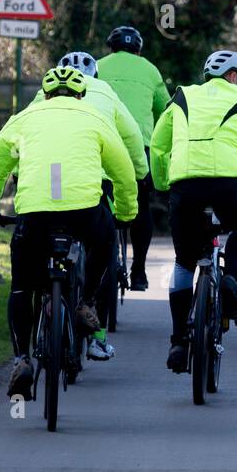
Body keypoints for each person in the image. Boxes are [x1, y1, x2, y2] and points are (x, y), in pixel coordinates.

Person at [0, 66, 138, 400]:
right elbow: (124, 173)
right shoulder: (95, 118)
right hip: (84, 212)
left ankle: (21, 359)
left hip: (35, 214)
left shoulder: (23, 119)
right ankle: (87, 302)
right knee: (105, 242)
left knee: (21, 287)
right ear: (80, 94)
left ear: (45, 94)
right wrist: (125, 213)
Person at [149, 49, 237, 373]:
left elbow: (159, 145)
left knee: (183, 261)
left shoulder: (181, 97)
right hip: (227, 186)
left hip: (185, 187)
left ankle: (178, 340)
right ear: (233, 76)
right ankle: (231, 277)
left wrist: (164, 184)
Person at [36, 50, 149, 360]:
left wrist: (20, 175)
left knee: (36, 247)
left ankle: (42, 311)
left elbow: (18, 138)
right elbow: (131, 136)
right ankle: (93, 321)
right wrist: (142, 175)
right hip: (96, 181)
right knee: (105, 244)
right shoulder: (105, 93)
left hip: (47, 181)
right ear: (92, 79)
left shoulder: (40, 97)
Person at [95, 26, 170, 291]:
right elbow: (164, 109)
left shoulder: (98, 66)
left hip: (101, 144)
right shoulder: (150, 70)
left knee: (100, 201)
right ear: (138, 50)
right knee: (141, 205)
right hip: (139, 148)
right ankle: (139, 270)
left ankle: (99, 265)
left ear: (110, 48)